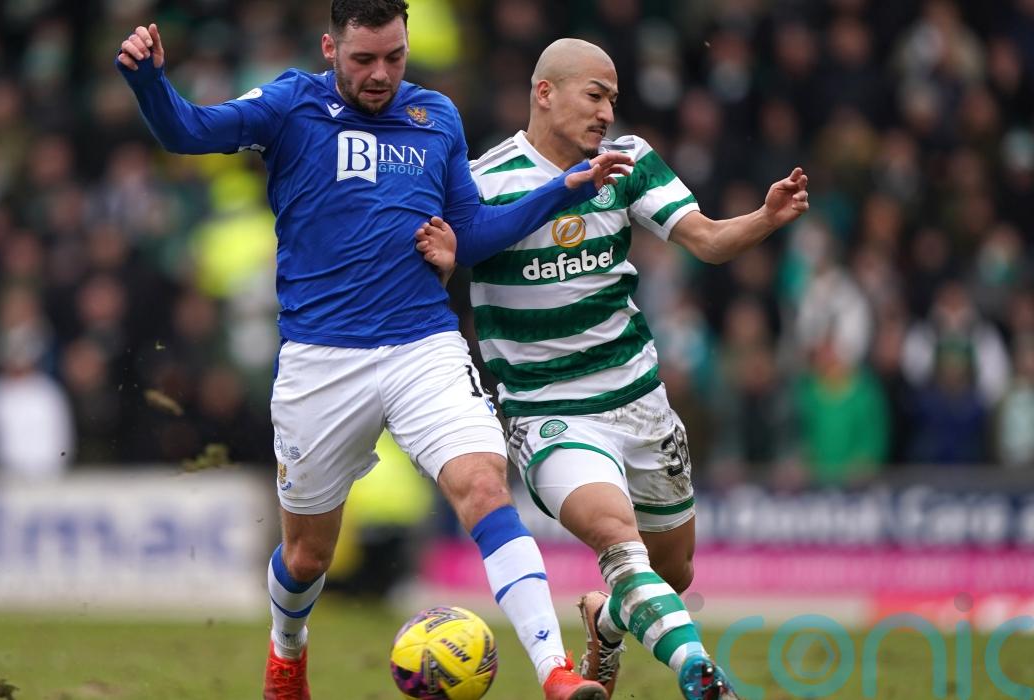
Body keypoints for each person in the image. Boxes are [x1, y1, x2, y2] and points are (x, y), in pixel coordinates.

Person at [115, 4, 632, 699]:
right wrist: (149, 81)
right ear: (331, 48)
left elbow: (470, 235)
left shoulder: (436, 117)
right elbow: (187, 131)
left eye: (394, 56)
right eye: (363, 59)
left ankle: (556, 673)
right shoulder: (290, 105)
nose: (381, 74)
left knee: (484, 488)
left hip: (424, 345)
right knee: (307, 555)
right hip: (321, 361)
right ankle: (287, 652)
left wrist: (558, 193)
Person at [416, 38, 810, 700]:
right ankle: (699, 672)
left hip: (639, 400)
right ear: (545, 93)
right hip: (550, 413)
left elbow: (708, 240)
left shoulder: (627, 162)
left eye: (613, 100)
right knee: (617, 539)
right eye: (595, 95)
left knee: (671, 574)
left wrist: (765, 218)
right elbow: (443, 259)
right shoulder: (482, 182)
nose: (606, 112)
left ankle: (606, 622)